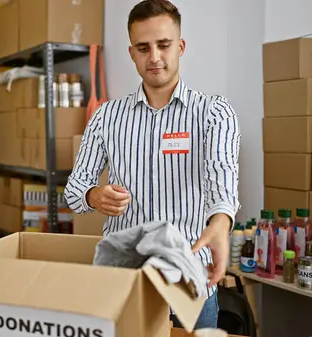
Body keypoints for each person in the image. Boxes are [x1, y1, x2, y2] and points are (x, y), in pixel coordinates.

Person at [64, 0, 241, 330]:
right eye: (143, 48)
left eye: (164, 45)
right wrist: (93, 196)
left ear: (181, 46)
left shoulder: (213, 113)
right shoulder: (106, 117)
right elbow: (73, 191)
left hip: (189, 284)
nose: (155, 57)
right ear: (131, 53)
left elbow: (223, 183)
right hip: (123, 284)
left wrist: (219, 224)